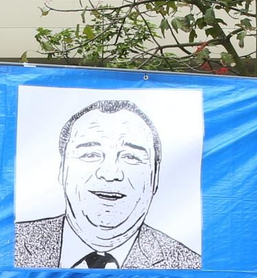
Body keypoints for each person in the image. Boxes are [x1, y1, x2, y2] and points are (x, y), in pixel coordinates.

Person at [13, 97, 200, 268]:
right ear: (62, 169)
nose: (110, 173)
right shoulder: (11, 244)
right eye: (90, 154)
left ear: (155, 176)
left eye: (130, 157)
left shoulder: (189, 265)